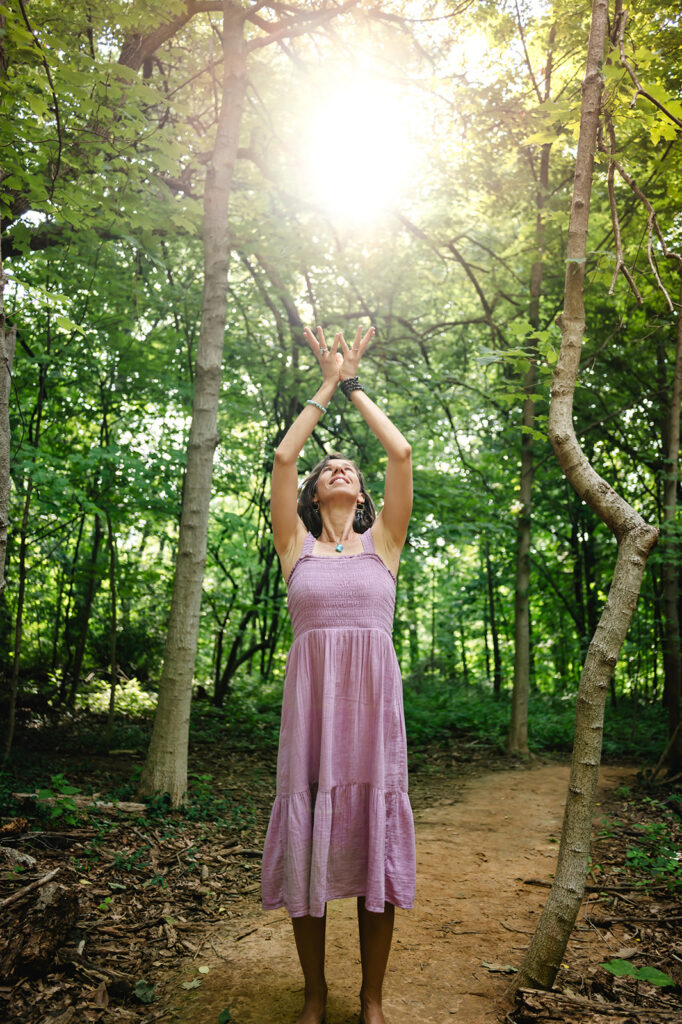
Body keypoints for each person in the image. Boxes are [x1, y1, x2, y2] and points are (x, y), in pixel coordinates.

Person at [261, 324, 416, 1024]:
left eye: (349, 468)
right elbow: (285, 454)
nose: (339, 469)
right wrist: (324, 382)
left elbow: (402, 451)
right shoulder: (295, 548)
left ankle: (372, 999)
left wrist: (355, 384)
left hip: (372, 716)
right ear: (316, 492)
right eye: (331, 470)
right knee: (311, 845)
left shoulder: (384, 545)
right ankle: (316, 995)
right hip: (314, 715)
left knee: (373, 849)